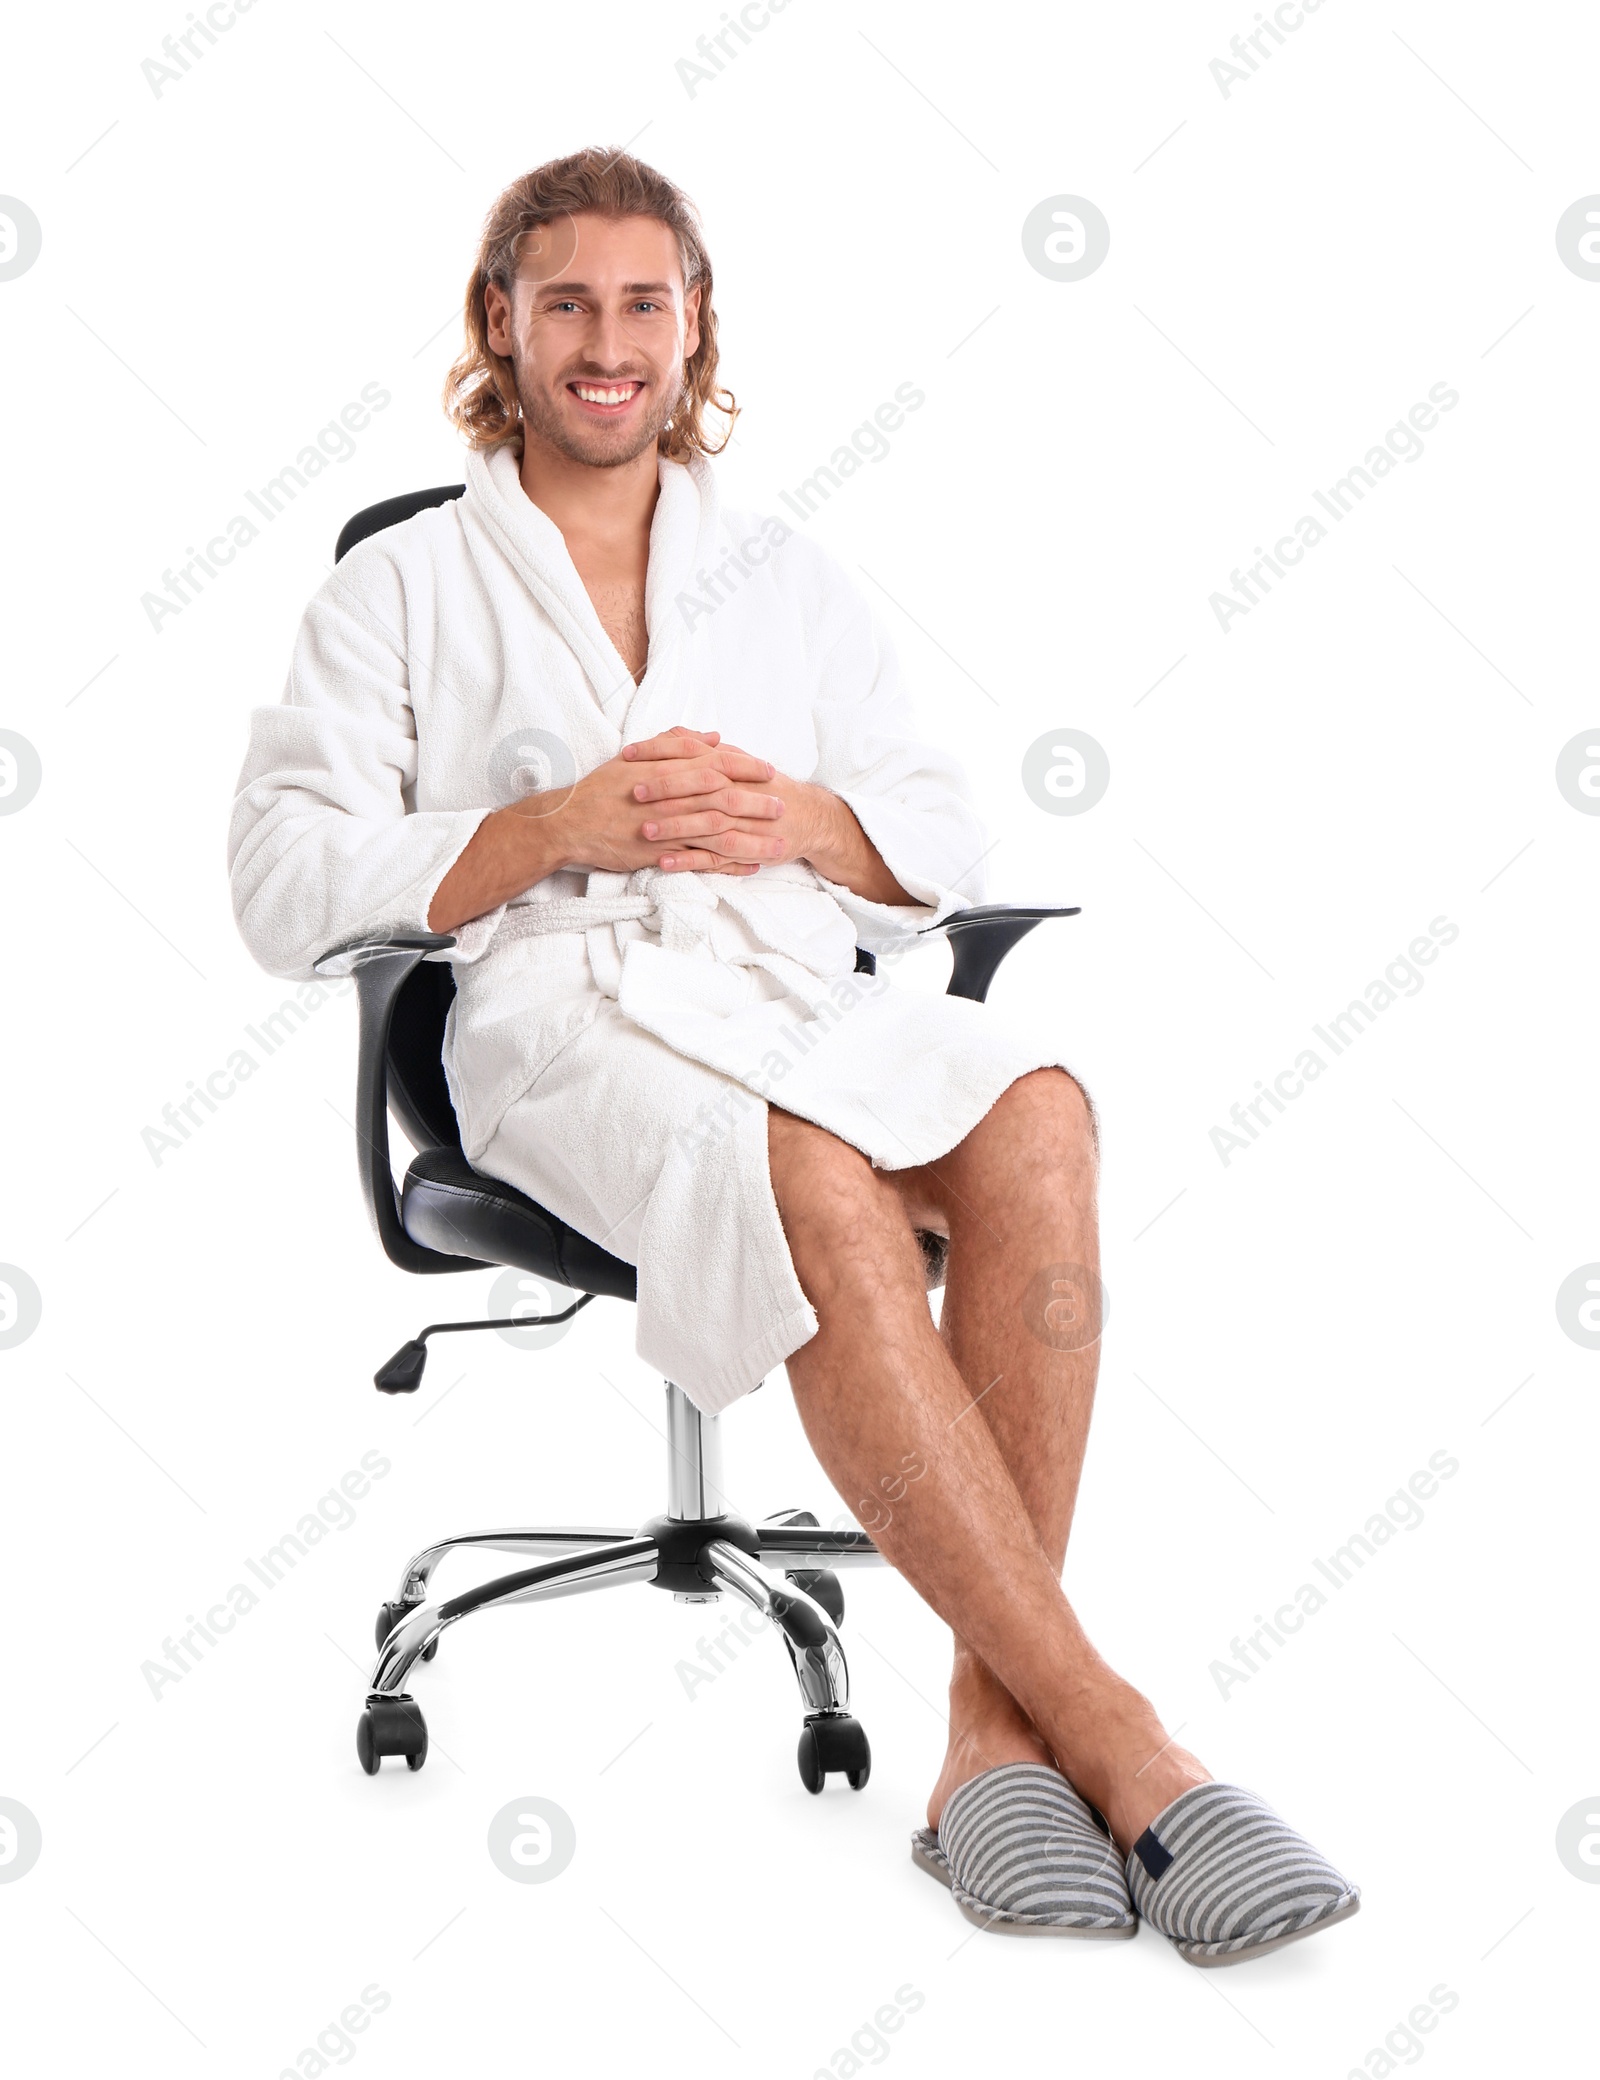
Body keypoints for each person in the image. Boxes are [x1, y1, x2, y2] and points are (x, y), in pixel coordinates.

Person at [228, 147, 1358, 1965]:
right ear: (499, 326)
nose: (608, 342)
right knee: (809, 1169)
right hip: (561, 1038)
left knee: (1038, 1106)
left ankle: (986, 1744)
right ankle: (1130, 1748)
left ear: (694, 335)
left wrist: (813, 822)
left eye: (644, 305)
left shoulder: (782, 574)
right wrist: (551, 823)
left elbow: (942, 836)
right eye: (567, 301)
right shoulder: (403, 590)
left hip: (786, 995)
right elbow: (279, 880)